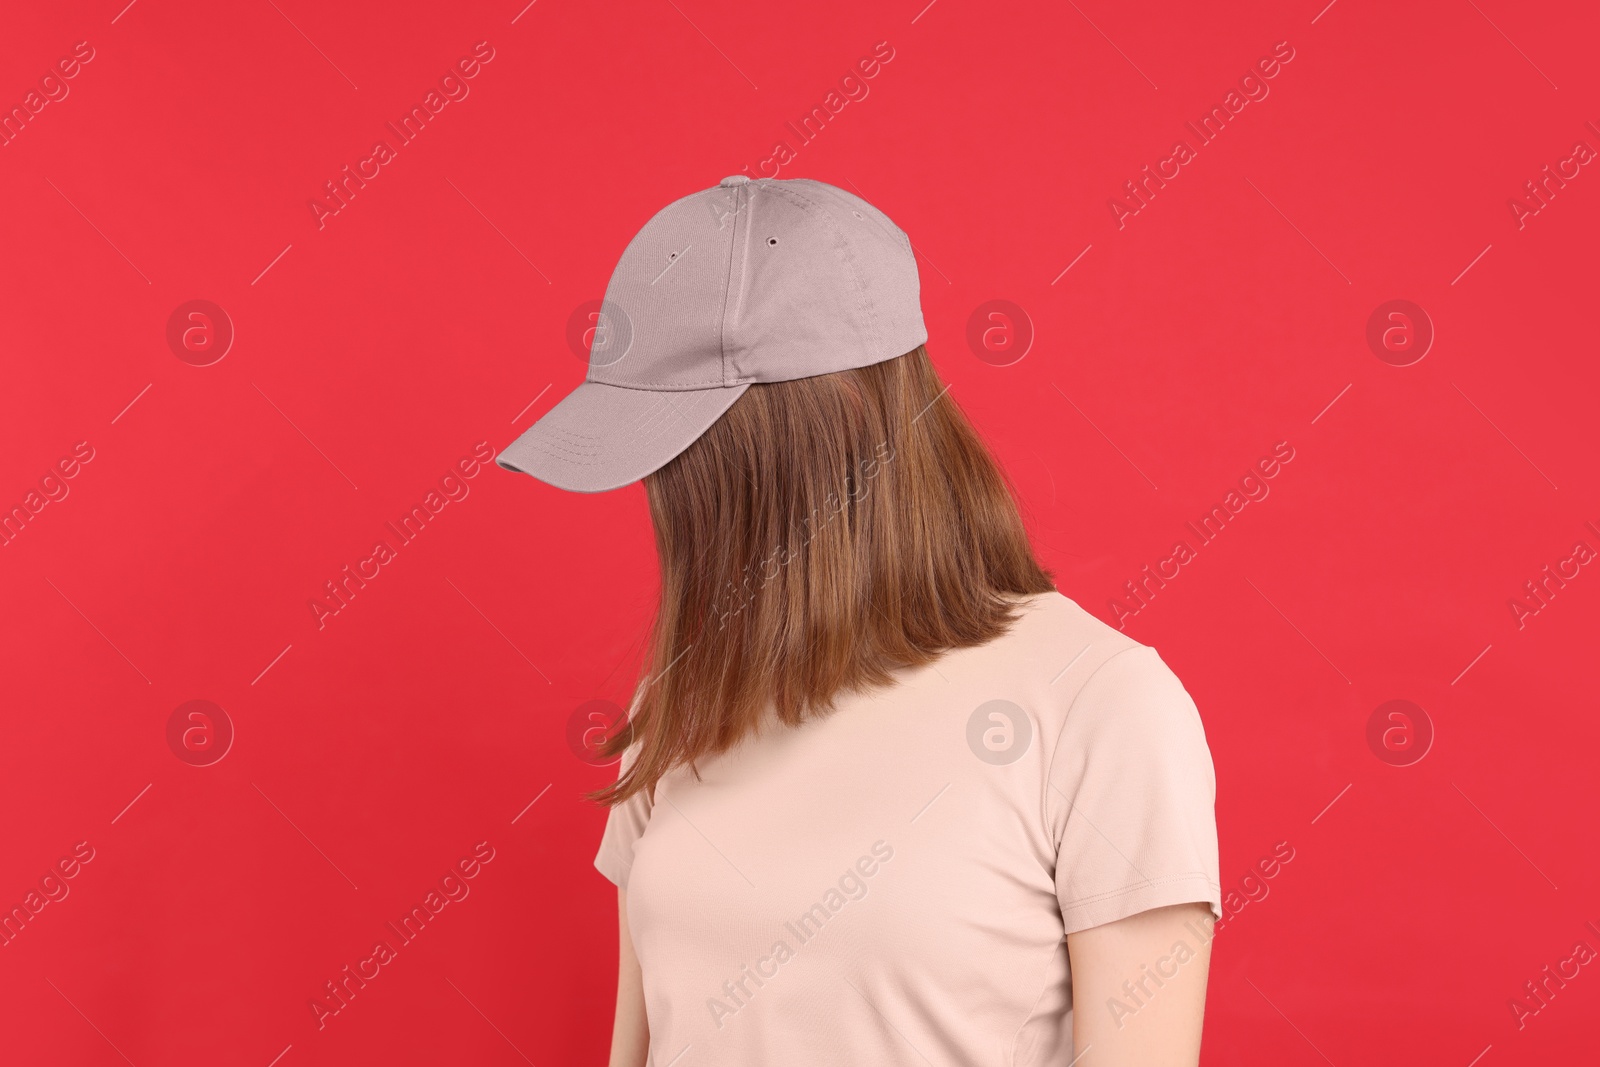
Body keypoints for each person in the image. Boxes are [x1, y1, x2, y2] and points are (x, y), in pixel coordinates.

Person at [496, 175, 1222, 1066]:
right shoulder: (685, 697)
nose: (665, 502)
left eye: (682, 459)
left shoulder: (1101, 706)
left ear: (823, 431)